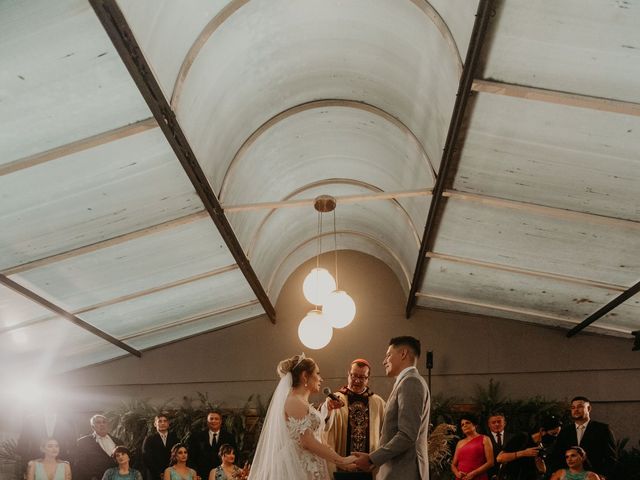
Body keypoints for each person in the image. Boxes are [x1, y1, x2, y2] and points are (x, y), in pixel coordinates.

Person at [248, 353, 356, 479]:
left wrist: (329, 411)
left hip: (310, 464)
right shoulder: (294, 401)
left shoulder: (301, 402)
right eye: (317, 373)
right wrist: (340, 460)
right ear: (305, 376)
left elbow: (314, 433)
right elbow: (307, 441)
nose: (321, 379)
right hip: (298, 466)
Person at [353, 336, 430, 480]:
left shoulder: (411, 382)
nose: (384, 361)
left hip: (403, 472)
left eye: (388, 355)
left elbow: (407, 435)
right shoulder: (406, 382)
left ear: (403, 354)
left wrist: (372, 459)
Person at [322, 358, 386, 478]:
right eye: (354, 375)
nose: (357, 380)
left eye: (362, 377)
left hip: (369, 468)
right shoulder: (336, 399)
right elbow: (324, 426)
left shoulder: (378, 403)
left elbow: (386, 433)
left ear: (368, 379)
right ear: (348, 374)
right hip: (341, 466)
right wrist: (327, 409)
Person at [549, 397, 616, 480]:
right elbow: (557, 454)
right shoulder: (565, 431)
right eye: (573, 407)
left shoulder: (602, 429)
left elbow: (611, 456)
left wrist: (603, 475)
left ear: (589, 408)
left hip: (594, 476)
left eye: (580, 406)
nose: (576, 410)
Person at [496, 415, 562, 480]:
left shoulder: (542, 446)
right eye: (553, 434)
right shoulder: (523, 438)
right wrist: (523, 453)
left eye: (557, 434)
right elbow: (500, 458)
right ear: (542, 431)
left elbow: (541, 470)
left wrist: (541, 464)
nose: (555, 437)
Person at [188, 410, 236, 479]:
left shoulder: (229, 437)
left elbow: (235, 455)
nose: (214, 421)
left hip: (222, 476)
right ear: (207, 421)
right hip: (201, 475)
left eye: (216, 419)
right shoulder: (197, 436)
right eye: (211, 419)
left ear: (221, 421)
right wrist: (195, 473)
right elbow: (191, 457)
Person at [75, 415, 123, 480]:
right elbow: (80, 465)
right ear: (93, 427)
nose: (102, 424)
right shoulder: (84, 442)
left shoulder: (118, 442)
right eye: (98, 422)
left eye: (104, 422)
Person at [451, 414, 494, 480]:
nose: (464, 425)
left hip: (478, 477)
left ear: (475, 425)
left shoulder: (485, 439)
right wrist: (457, 473)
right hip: (461, 478)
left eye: (467, 423)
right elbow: (453, 465)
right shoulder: (460, 443)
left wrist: (473, 474)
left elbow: (490, 462)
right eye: (462, 425)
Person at [142, 413, 180, 480]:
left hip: (173, 474)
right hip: (155, 475)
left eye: (165, 421)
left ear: (168, 424)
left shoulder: (175, 438)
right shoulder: (149, 439)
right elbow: (147, 458)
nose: (163, 423)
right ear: (155, 424)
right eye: (160, 421)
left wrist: (171, 471)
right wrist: (159, 473)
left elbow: (178, 456)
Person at [486, 412, 507, 480]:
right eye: (493, 422)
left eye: (499, 421)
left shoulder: (513, 437)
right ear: (489, 425)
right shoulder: (484, 438)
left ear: (505, 423)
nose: (496, 424)